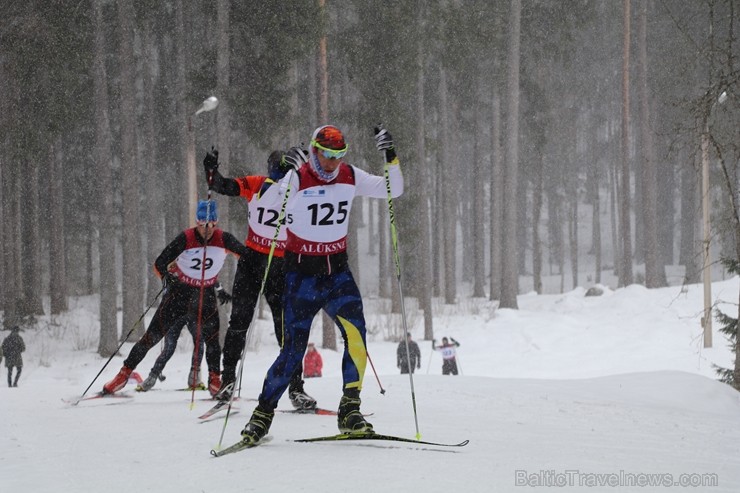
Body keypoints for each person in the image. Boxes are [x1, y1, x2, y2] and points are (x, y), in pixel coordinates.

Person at [238, 123, 403, 444]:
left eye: (338, 156)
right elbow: (266, 202)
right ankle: (262, 415)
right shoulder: (298, 178)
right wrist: (287, 171)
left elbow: (392, 190)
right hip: (301, 276)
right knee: (292, 352)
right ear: (314, 150)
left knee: (357, 339)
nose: (332, 162)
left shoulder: (350, 175)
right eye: (327, 155)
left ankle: (350, 409)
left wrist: (390, 155)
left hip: (338, 273)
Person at [203, 149, 317, 409]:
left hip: (281, 265)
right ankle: (228, 380)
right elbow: (222, 186)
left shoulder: (298, 192)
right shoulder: (258, 185)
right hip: (253, 261)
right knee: (239, 322)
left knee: (285, 328)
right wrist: (210, 171)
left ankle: (296, 387)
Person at [102, 200, 250, 397]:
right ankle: (124, 374)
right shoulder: (186, 238)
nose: (206, 230)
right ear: (197, 222)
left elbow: (247, 257)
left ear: (216, 223)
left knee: (212, 340)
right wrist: (167, 278)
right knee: (151, 337)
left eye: (211, 225)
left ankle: (215, 379)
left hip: (206, 294)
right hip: (180, 293)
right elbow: (159, 263)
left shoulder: (224, 239)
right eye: (202, 225)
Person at [137, 281, 232, 392]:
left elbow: (210, 277)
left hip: (184, 311)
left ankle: (156, 377)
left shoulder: (184, 269)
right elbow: (210, 277)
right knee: (185, 344)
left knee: (190, 343)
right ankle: (189, 378)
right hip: (185, 310)